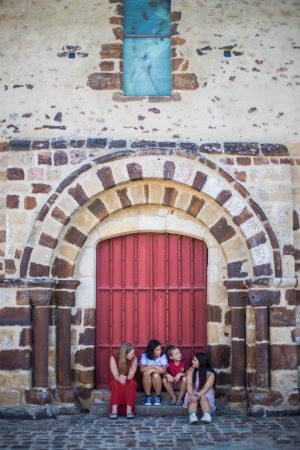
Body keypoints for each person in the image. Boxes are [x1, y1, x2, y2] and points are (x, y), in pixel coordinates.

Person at [183, 352, 216, 424]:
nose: (192, 361)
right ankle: (192, 415)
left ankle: (207, 415)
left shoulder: (211, 374)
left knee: (203, 397)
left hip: (206, 392)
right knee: (191, 398)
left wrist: (197, 396)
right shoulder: (191, 370)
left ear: (201, 362)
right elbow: (189, 383)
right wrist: (191, 394)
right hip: (193, 390)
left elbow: (206, 388)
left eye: (194, 360)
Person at [109, 342, 138, 419]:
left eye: (133, 353)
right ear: (125, 353)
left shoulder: (134, 359)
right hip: (116, 380)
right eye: (131, 353)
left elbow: (131, 375)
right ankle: (114, 410)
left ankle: (129, 410)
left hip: (128, 379)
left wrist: (125, 378)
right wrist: (120, 378)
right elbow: (115, 375)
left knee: (132, 383)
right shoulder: (113, 358)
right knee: (116, 383)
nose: (133, 355)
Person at [140, 339, 168, 406]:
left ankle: (158, 397)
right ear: (151, 350)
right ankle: (148, 397)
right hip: (147, 381)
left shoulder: (162, 356)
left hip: (158, 381)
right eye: (157, 350)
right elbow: (142, 369)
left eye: (160, 349)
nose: (159, 352)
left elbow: (163, 370)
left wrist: (152, 369)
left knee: (155, 374)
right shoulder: (145, 356)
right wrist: (153, 366)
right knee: (145, 373)